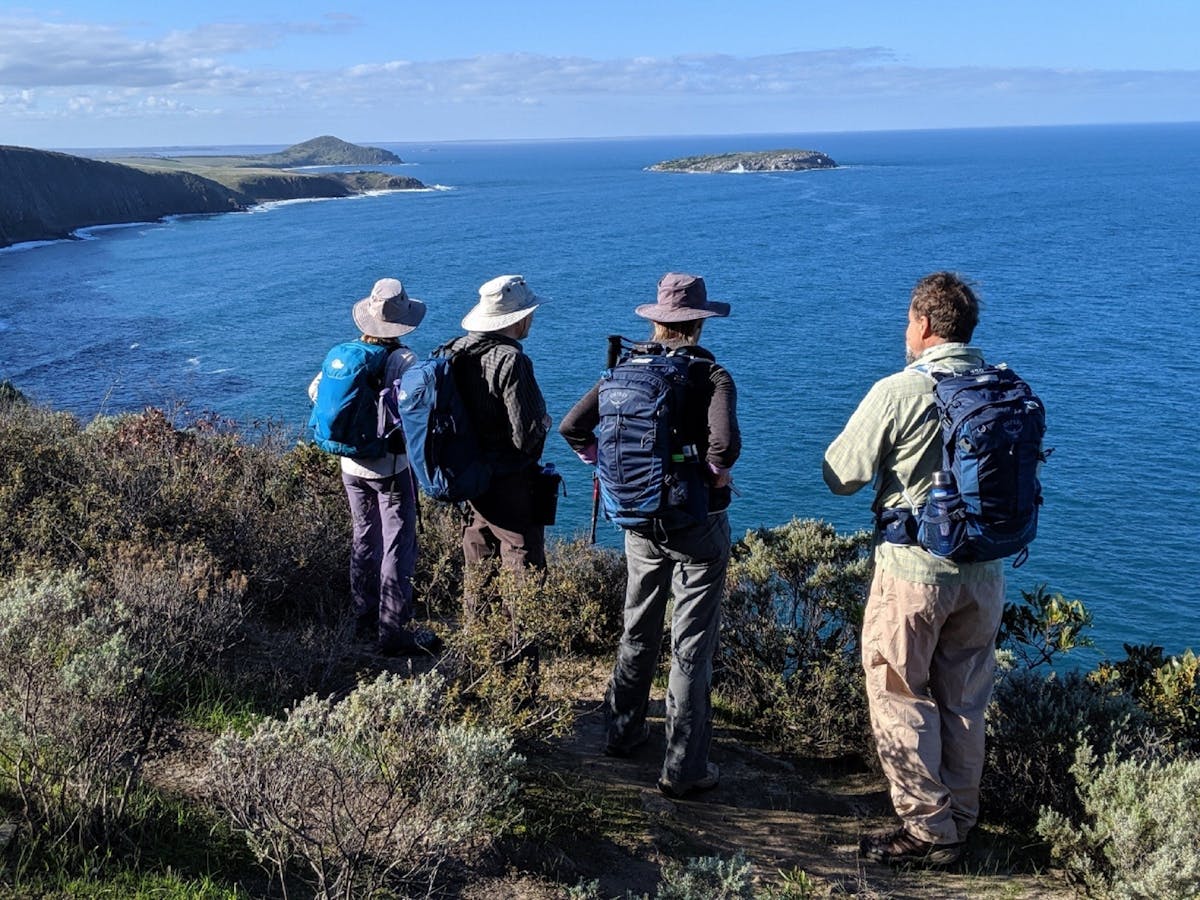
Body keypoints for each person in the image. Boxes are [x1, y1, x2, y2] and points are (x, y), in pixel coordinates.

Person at [823, 271, 1005, 867]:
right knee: (964, 699)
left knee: (900, 691)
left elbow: (842, 475)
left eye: (908, 320)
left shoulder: (901, 390)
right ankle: (963, 818)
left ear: (924, 325)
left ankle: (927, 829)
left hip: (913, 572)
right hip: (984, 573)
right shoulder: (1003, 387)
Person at [560, 272, 741, 800]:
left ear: (657, 321)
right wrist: (714, 473)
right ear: (699, 323)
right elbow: (724, 448)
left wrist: (605, 467)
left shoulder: (625, 366)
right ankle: (683, 770)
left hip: (636, 519)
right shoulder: (712, 376)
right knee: (690, 647)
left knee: (637, 627)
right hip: (696, 527)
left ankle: (622, 733)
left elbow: (573, 427)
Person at [308, 277, 441, 656]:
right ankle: (393, 631)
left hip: (350, 463)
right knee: (398, 544)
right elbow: (419, 408)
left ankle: (362, 616)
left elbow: (315, 392)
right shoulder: (403, 359)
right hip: (390, 465)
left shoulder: (346, 354)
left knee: (364, 536)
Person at [450, 275, 552, 610]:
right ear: (519, 318)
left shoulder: (455, 351)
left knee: (479, 568)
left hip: (468, 477)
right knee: (522, 566)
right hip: (509, 482)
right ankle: (519, 654)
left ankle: (477, 654)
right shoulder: (511, 360)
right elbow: (525, 434)